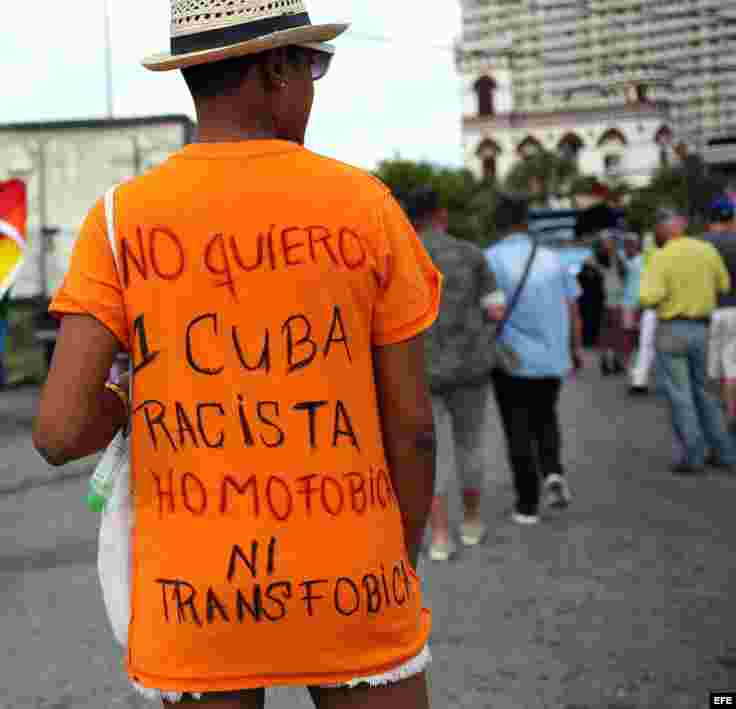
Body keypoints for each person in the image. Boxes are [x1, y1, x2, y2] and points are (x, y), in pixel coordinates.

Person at [34, 2, 443, 706]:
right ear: (276, 70)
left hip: (194, 600)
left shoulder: (118, 220)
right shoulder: (367, 207)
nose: (313, 83)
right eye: (312, 65)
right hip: (351, 579)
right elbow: (414, 428)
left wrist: (138, 395)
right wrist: (392, 564)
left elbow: (59, 430)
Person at [407, 187, 504, 562]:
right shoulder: (472, 254)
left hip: (420, 369)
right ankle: (473, 522)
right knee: (470, 445)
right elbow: (495, 310)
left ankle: (440, 536)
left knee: (430, 454)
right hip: (471, 368)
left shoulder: (400, 256)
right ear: (441, 215)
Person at [485, 193, 584, 524]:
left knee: (517, 427)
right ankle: (553, 471)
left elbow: (489, 312)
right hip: (552, 357)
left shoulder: (491, 259)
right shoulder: (554, 259)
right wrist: (576, 348)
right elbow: (573, 308)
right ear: (526, 223)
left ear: (498, 223)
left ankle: (527, 504)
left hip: (510, 359)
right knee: (545, 417)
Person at [640, 208, 736, 474]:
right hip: (703, 329)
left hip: (672, 329)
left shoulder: (661, 257)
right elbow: (724, 285)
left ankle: (693, 455)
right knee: (707, 394)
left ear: (664, 229)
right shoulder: (706, 250)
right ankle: (725, 452)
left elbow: (648, 297)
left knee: (680, 396)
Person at [701, 195, 736, 427]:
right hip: (735, 309)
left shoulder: (700, 244)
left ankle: (716, 419)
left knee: (712, 369)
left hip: (709, 311)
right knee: (733, 365)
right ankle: (732, 413)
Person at [591, 234, 628, 376]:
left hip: (616, 300)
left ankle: (614, 361)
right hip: (604, 302)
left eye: (611, 242)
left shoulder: (617, 259)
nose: (610, 245)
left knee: (616, 333)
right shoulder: (594, 260)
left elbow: (623, 276)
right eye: (607, 242)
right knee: (607, 334)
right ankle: (606, 362)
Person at [621, 234, 653, 395]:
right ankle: (634, 372)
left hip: (641, 305)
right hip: (630, 304)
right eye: (626, 244)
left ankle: (637, 375)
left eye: (631, 244)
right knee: (633, 340)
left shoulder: (642, 261)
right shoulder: (626, 261)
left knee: (642, 342)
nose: (628, 247)